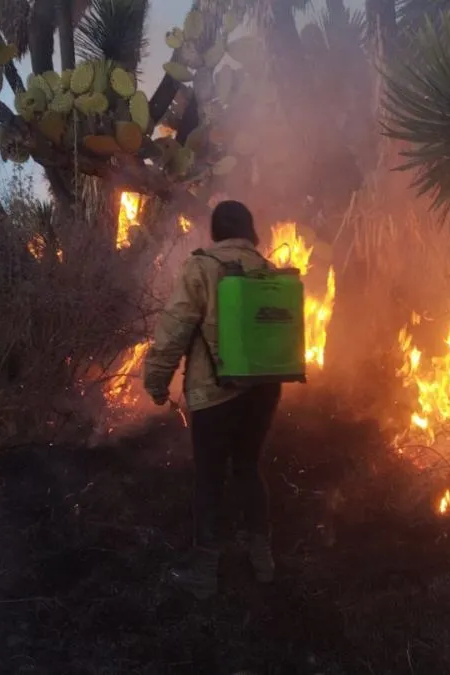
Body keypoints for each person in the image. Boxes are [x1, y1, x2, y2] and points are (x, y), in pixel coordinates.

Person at [143, 200, 283, 600]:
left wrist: (156, 383)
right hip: (263, 390)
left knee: (209, 479)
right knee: (248, 468)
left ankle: (205, 573)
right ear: (250, 230)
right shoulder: (267, 269)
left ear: (216, 231)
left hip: (214, 393)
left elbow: (174, 330)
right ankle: (263, 559)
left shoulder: (201, 266)